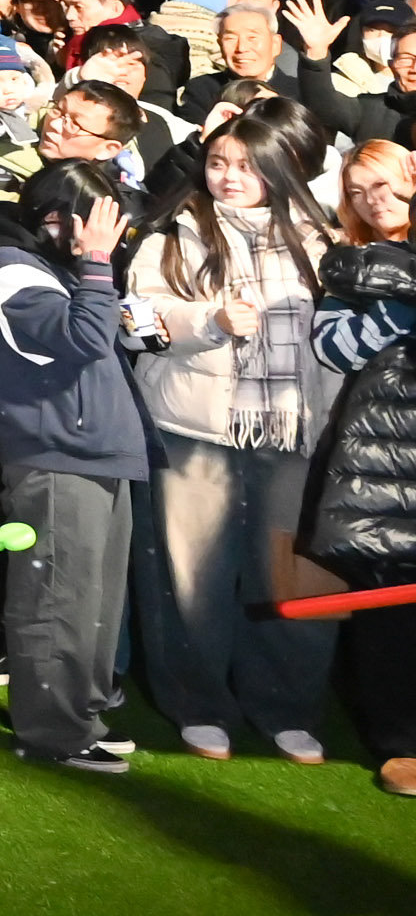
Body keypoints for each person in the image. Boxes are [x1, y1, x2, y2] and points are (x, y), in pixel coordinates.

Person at [123, 98, 339, 760]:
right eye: (218, 162)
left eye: (245, 164)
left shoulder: (323, 240)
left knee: (295, 575)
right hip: (194, 427)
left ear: (279, 168)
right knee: (192, 577)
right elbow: (134, 320)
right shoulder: (172, 234)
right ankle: (198, 703)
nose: (228, 176)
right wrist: (206, 322)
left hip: (295, 430)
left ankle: (287, 707)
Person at [0, 162, 151, 773]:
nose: (108, 233)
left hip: (96, 450)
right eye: (96, 218)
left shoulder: (58, 269)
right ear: (57, 216)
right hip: (55, 456)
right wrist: (98, 265)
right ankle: (53, 731)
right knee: (57, 602)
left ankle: (83, 715)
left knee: (95, 603)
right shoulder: (8, 267)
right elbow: (79, 341)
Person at [303, 136, 416, 791]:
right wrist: (401, 309)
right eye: (357, 190)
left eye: (385, 183)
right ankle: (401, 742)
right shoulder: (347, 264)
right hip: (386, 455)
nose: (374, 201)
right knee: (391, 597)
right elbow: (336, 348)